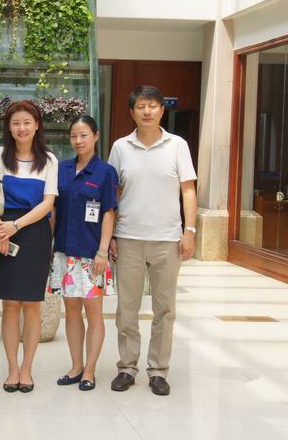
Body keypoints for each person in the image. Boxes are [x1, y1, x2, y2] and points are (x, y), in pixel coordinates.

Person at [108, 85, 197, 396]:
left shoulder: (178, 145)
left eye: (153, 106)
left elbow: (188, 190)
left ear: (162, 110)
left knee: (165, 309)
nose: (147, 111)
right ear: (132, 112)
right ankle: (127, 367)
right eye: (141, 106)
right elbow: (113, 193)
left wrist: (190, 231)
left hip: (167, 239)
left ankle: (158, 370)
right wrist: (111, 235)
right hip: (128, 237)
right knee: (126, 309)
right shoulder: (120, 147)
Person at [0, 100, 57, 393]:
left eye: (27, 122)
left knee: (33, 306)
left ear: (36, 125)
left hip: (34, 233)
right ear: (9, 128)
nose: (21, 128)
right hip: (3, 231)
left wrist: (16, 225)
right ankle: (12, 368)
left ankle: (27, 369)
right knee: (10, 305)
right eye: (15, 123)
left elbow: (48, 203)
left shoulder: (49, 160)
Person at [51, 115, 118, 391]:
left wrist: (102, 251)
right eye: (74, 136)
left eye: (84, 135)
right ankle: (76, 366)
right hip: (64, 252)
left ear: (96, 136)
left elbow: (109, 212)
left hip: (92, 254)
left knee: (94, 313)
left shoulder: (106, 172)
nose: (78, 141)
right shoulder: (61, 169)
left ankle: (90, 369)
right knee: (71, 311)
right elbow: (54, 209)